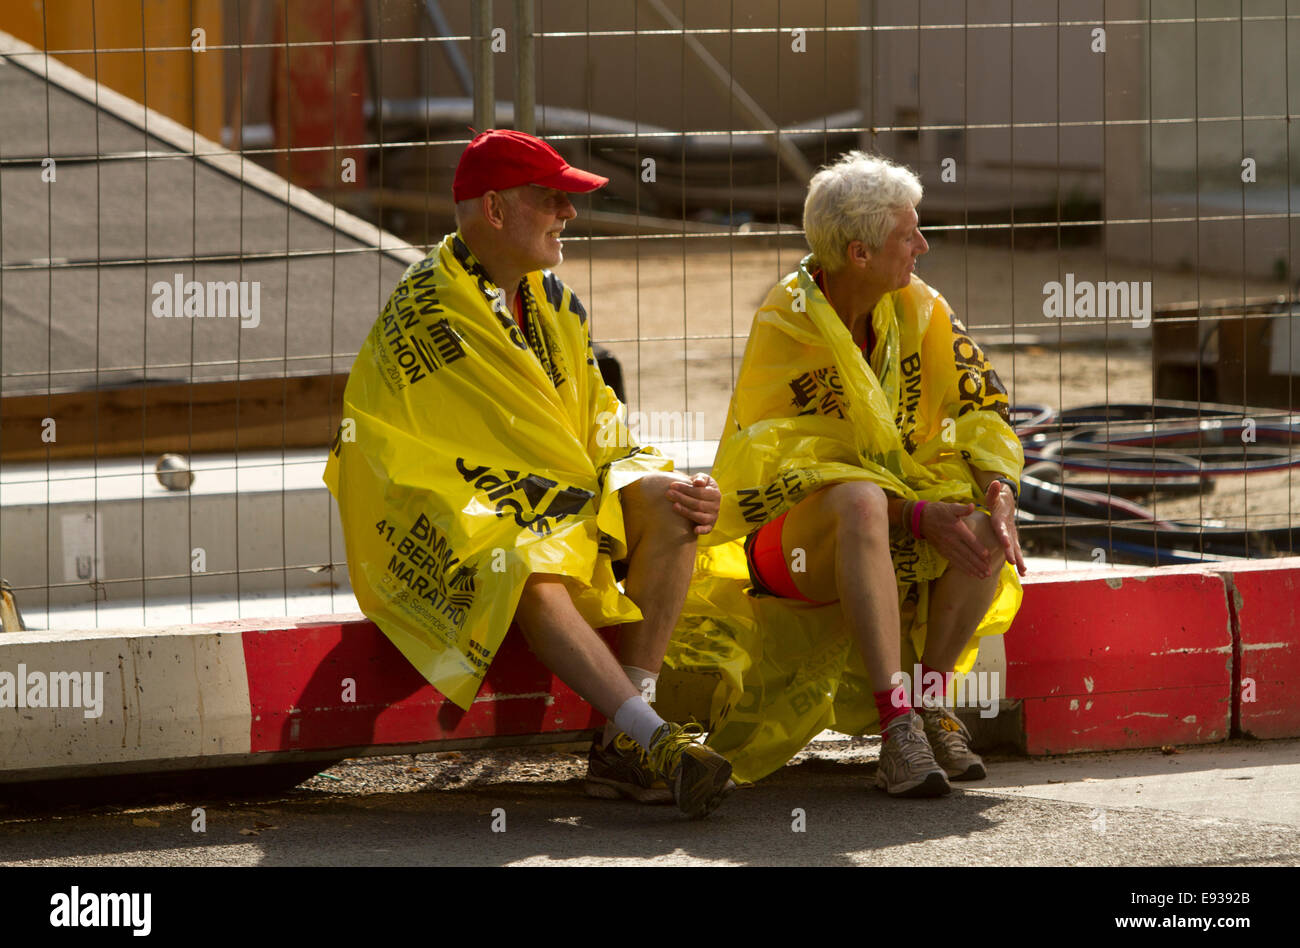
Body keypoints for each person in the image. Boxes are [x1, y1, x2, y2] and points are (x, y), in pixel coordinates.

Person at [323, 129, 734, 818]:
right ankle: (654, 737)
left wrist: (660, 477)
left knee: (670, 505)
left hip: (545, 496)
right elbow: (408, 458)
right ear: (493, 209)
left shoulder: (552, 301)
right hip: (442, 510)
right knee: (521, 560)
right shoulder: (429, 308)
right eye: (551, 199)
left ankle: (624, 750)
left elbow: (601, 421)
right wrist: (550, 498)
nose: (568, 214)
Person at [663, 150, 1026, 795]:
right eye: (907, 233)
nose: (923, 244)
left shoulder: (921, 308)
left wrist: (999, 490)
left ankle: (930, 703)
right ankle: (896, 733)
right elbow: (796, 466)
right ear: (859, 254)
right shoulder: (787, 320)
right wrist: (913, 513)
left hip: (892, 517)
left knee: (979, 521)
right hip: (787, 542)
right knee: (858, 498)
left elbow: (981, 404)